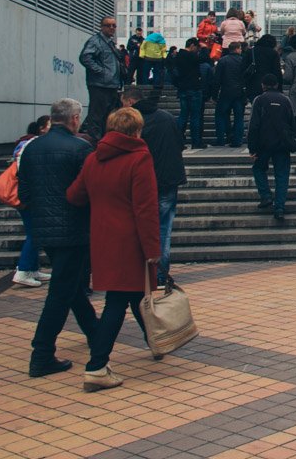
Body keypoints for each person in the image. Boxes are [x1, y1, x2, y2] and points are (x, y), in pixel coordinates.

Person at [65, 107, 161, 392]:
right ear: (136, 131)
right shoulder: (139, 158)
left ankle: (156, 341)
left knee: (133, 295)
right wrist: (153, 248)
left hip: (103, 239)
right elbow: (145, 209)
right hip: (131, 242)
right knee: (117, 302)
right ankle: (96, 366)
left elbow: (74, 195)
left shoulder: (94, 158)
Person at [20, 98, 99, 378]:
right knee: (61, 292)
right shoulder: (80, 149)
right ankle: (41, 353)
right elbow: (90, 190)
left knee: (70, 284)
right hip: (74, 230)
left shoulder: (32, 148)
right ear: (75, 119)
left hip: (44, 229)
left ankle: (95, 332)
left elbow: (24, 192)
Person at [121, 87, 185, 285]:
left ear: (130, 101)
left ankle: (141, 270)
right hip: (168, 179)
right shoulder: (166, 117)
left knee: (140, 225)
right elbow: (180, 143)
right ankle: (160, 273)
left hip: (143, 181)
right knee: (164, 227)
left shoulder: (133, 122)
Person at [9, 117, 54, 288]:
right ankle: (23, 270)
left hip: (27, 195)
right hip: (30, 197)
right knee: (35, 234)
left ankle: (32, 269)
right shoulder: (32, 144)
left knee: (34, 232)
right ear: (42, 129)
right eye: (50, 125)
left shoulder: (27, 144)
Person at [247, 74, 296, 221]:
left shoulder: (259, 100)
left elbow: (253, 125)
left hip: (264, 143)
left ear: (263, 85)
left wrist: (252, 147)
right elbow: (292, 122)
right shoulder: (286, 100)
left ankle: (266, 195)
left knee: (258, 168)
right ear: (277, 85)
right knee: (282, 174)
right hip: (282, 143)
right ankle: (279, 207)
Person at [79, 17, 123, 142]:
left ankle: (103, 140)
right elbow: (85, 57)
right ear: (102, 27)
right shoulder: (96, 41)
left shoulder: (109, 42)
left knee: (107, 116)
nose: (112, 28)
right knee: (97, 116)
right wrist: (101, 72)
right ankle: (95, 142)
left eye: (114, 25)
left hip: (111, 84)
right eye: (108, 25)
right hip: (100, 84)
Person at [174, 38, 207, 149]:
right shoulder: (191, 55)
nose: (197, 50)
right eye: (197, 48)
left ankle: (178, 141)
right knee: (195, 116)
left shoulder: (178, 55)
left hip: (182, 88)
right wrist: (204, 48)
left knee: (183, 115)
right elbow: (204, 59)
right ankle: (196, 142)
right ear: (192, 46)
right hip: (194, 88)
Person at [212, 41, 247, 148]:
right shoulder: (243, 60)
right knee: (239, 117)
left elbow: (217, 79)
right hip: (239, 93)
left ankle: (221, 139)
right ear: (237, 49)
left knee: (220, 115)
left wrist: (214, 95)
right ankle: (237, 140)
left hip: (225, 92)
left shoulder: (223, 60)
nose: (241, 50)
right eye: (240, 48)